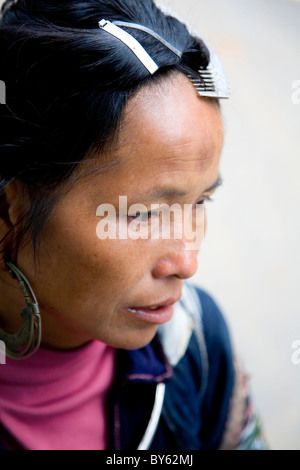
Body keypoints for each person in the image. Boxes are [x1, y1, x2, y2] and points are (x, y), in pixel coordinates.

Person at [0, 0, 267, 451]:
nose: (186, 262)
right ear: (10, 207)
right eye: (143, 214)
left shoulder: (196, 341)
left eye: (200, 201)